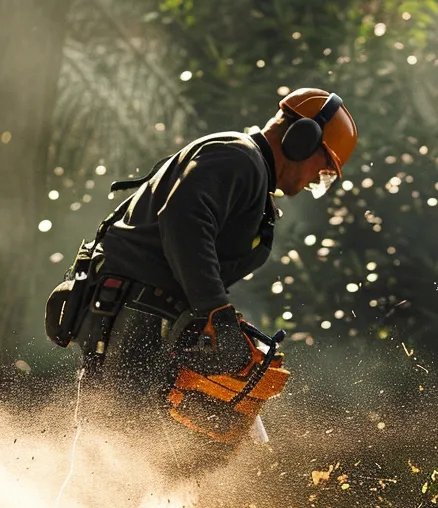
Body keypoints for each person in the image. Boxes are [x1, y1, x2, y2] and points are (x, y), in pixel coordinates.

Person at [72, 87, 358, 468]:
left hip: (150, 313)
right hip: (137, 310)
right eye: (321, 170)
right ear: (302, 139)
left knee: (159, 447)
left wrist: (220, 319)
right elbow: (185, 223)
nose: (312, 182)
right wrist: (215, 310)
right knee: (119, 438)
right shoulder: (236, 158)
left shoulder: (247, 171)